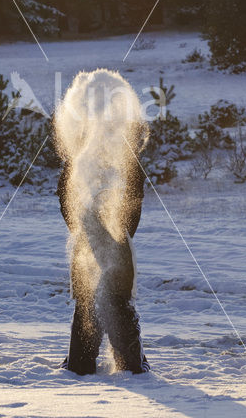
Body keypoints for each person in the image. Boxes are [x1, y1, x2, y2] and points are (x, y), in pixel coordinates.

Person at [57, 159, 150, 375]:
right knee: (129, 363)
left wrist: (72, 160)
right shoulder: (119, 225)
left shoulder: (88, 224)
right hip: (108, 297)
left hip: (110, 296)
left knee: (83, 357)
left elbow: (64, 197)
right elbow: (136, 193)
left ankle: (82, 364)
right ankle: (125, 364)